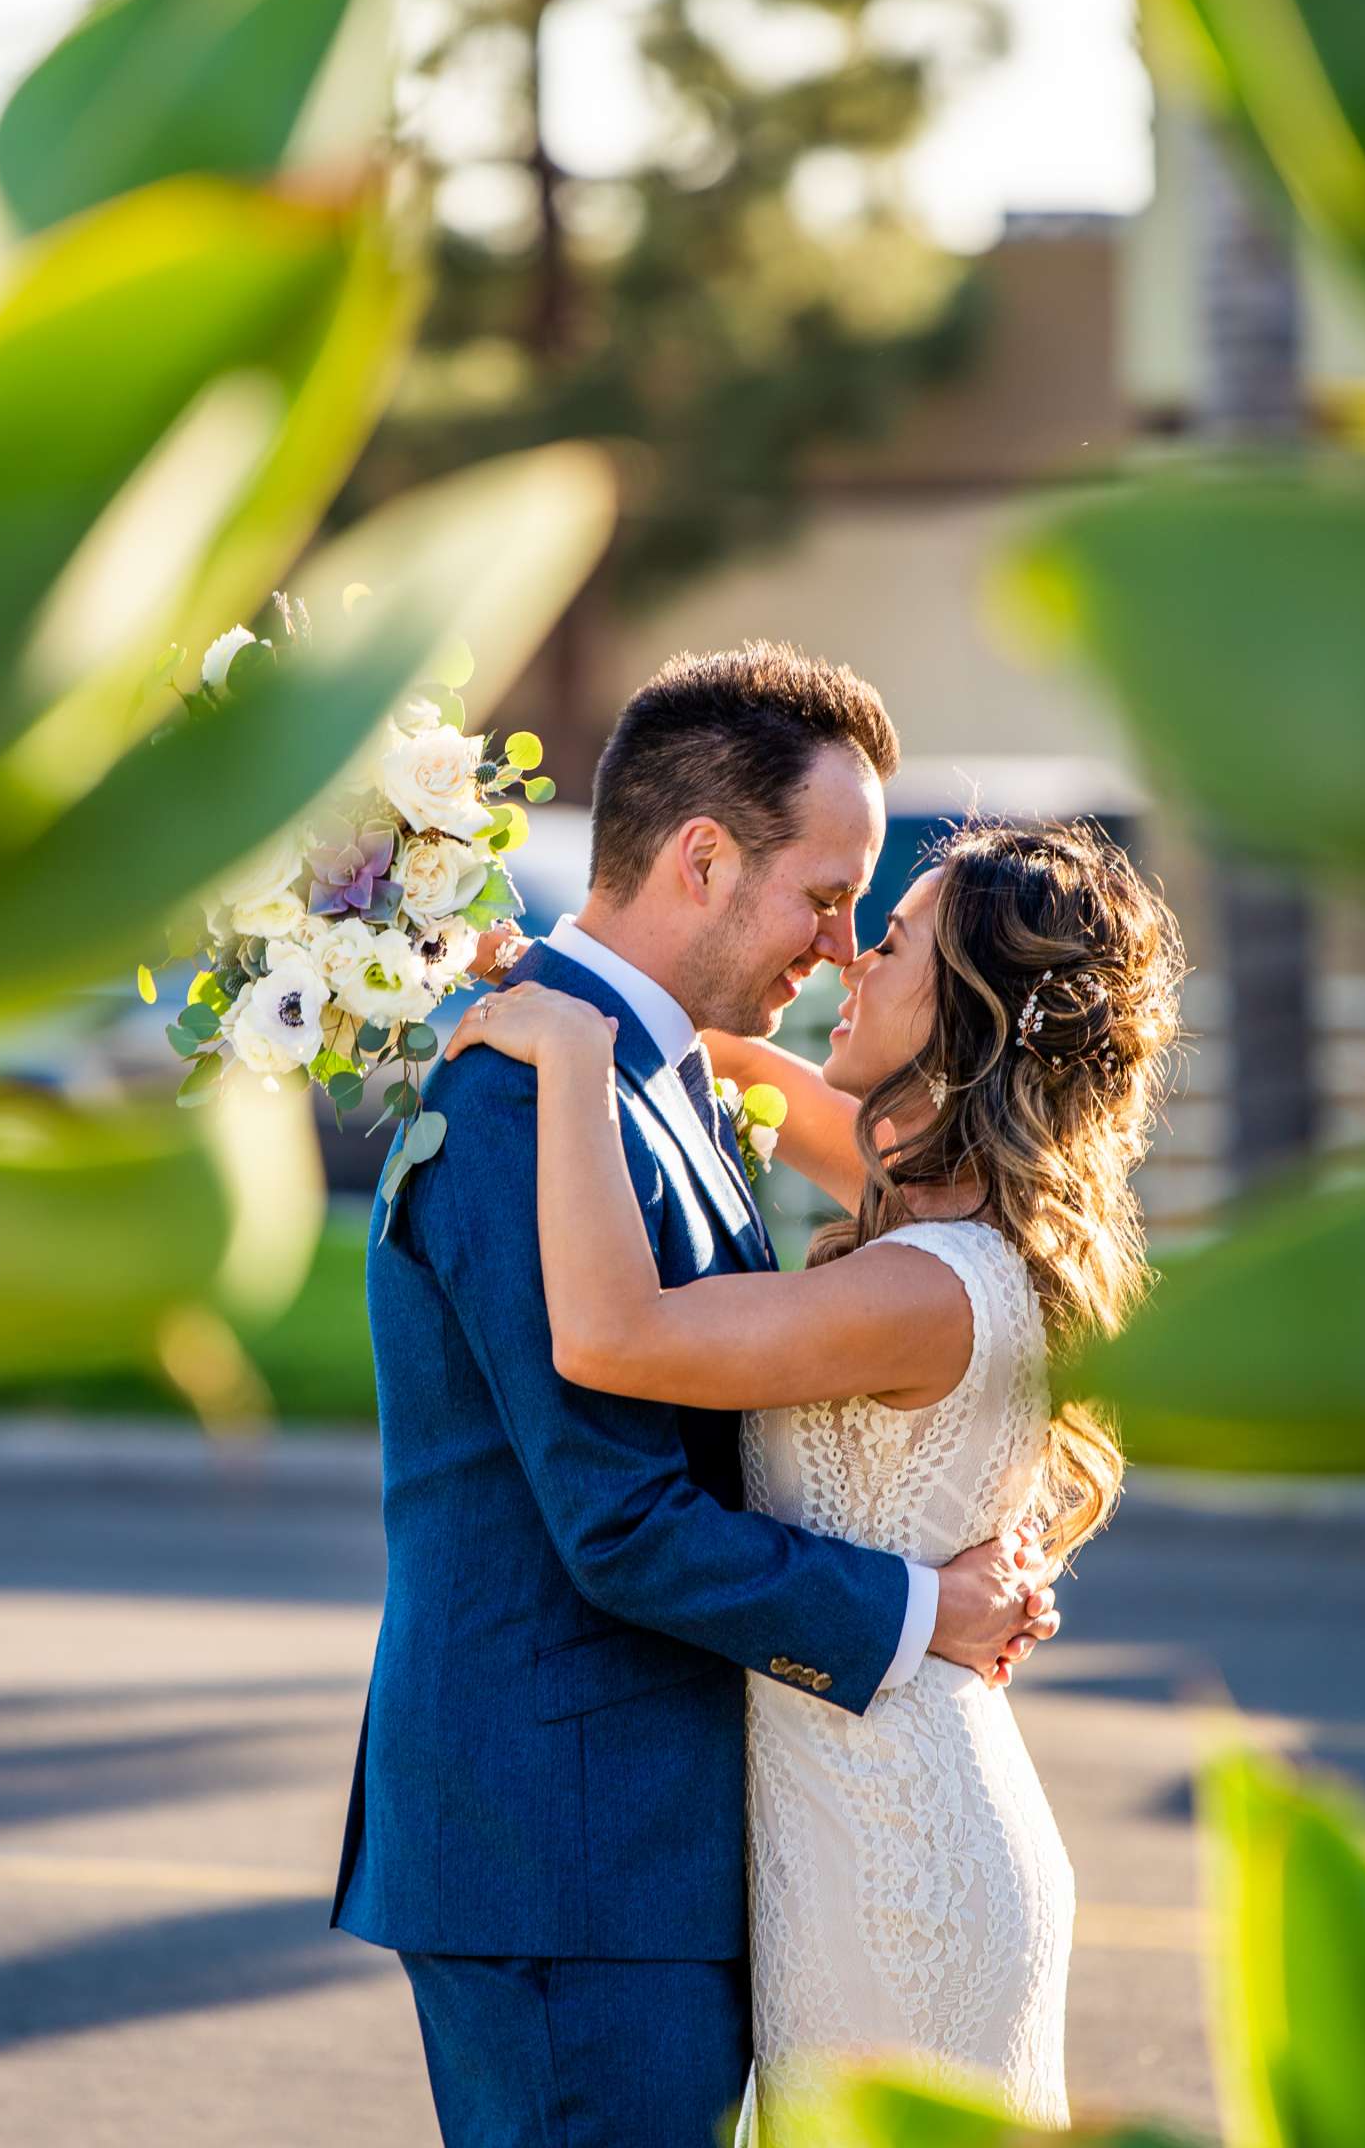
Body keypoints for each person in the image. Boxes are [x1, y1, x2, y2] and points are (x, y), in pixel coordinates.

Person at [330, 645, 1063, 2148]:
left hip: (657, 1852)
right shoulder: (528, 1097)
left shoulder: (637, 1071)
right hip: (570, 1859)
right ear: (703, 856)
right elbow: (621, 1526)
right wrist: (927, 1609)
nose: (841, 942)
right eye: (824, 893)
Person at [444, 802, 1185, 2135]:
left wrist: (561, 1054)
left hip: (892, 1851)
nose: (851, 954)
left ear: (962, 1018)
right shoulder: (956, 1203)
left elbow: (616, 1336)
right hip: (858, 1804)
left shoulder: (925, 1283)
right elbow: (713, 1052)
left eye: (889, 940)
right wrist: (515, 957)